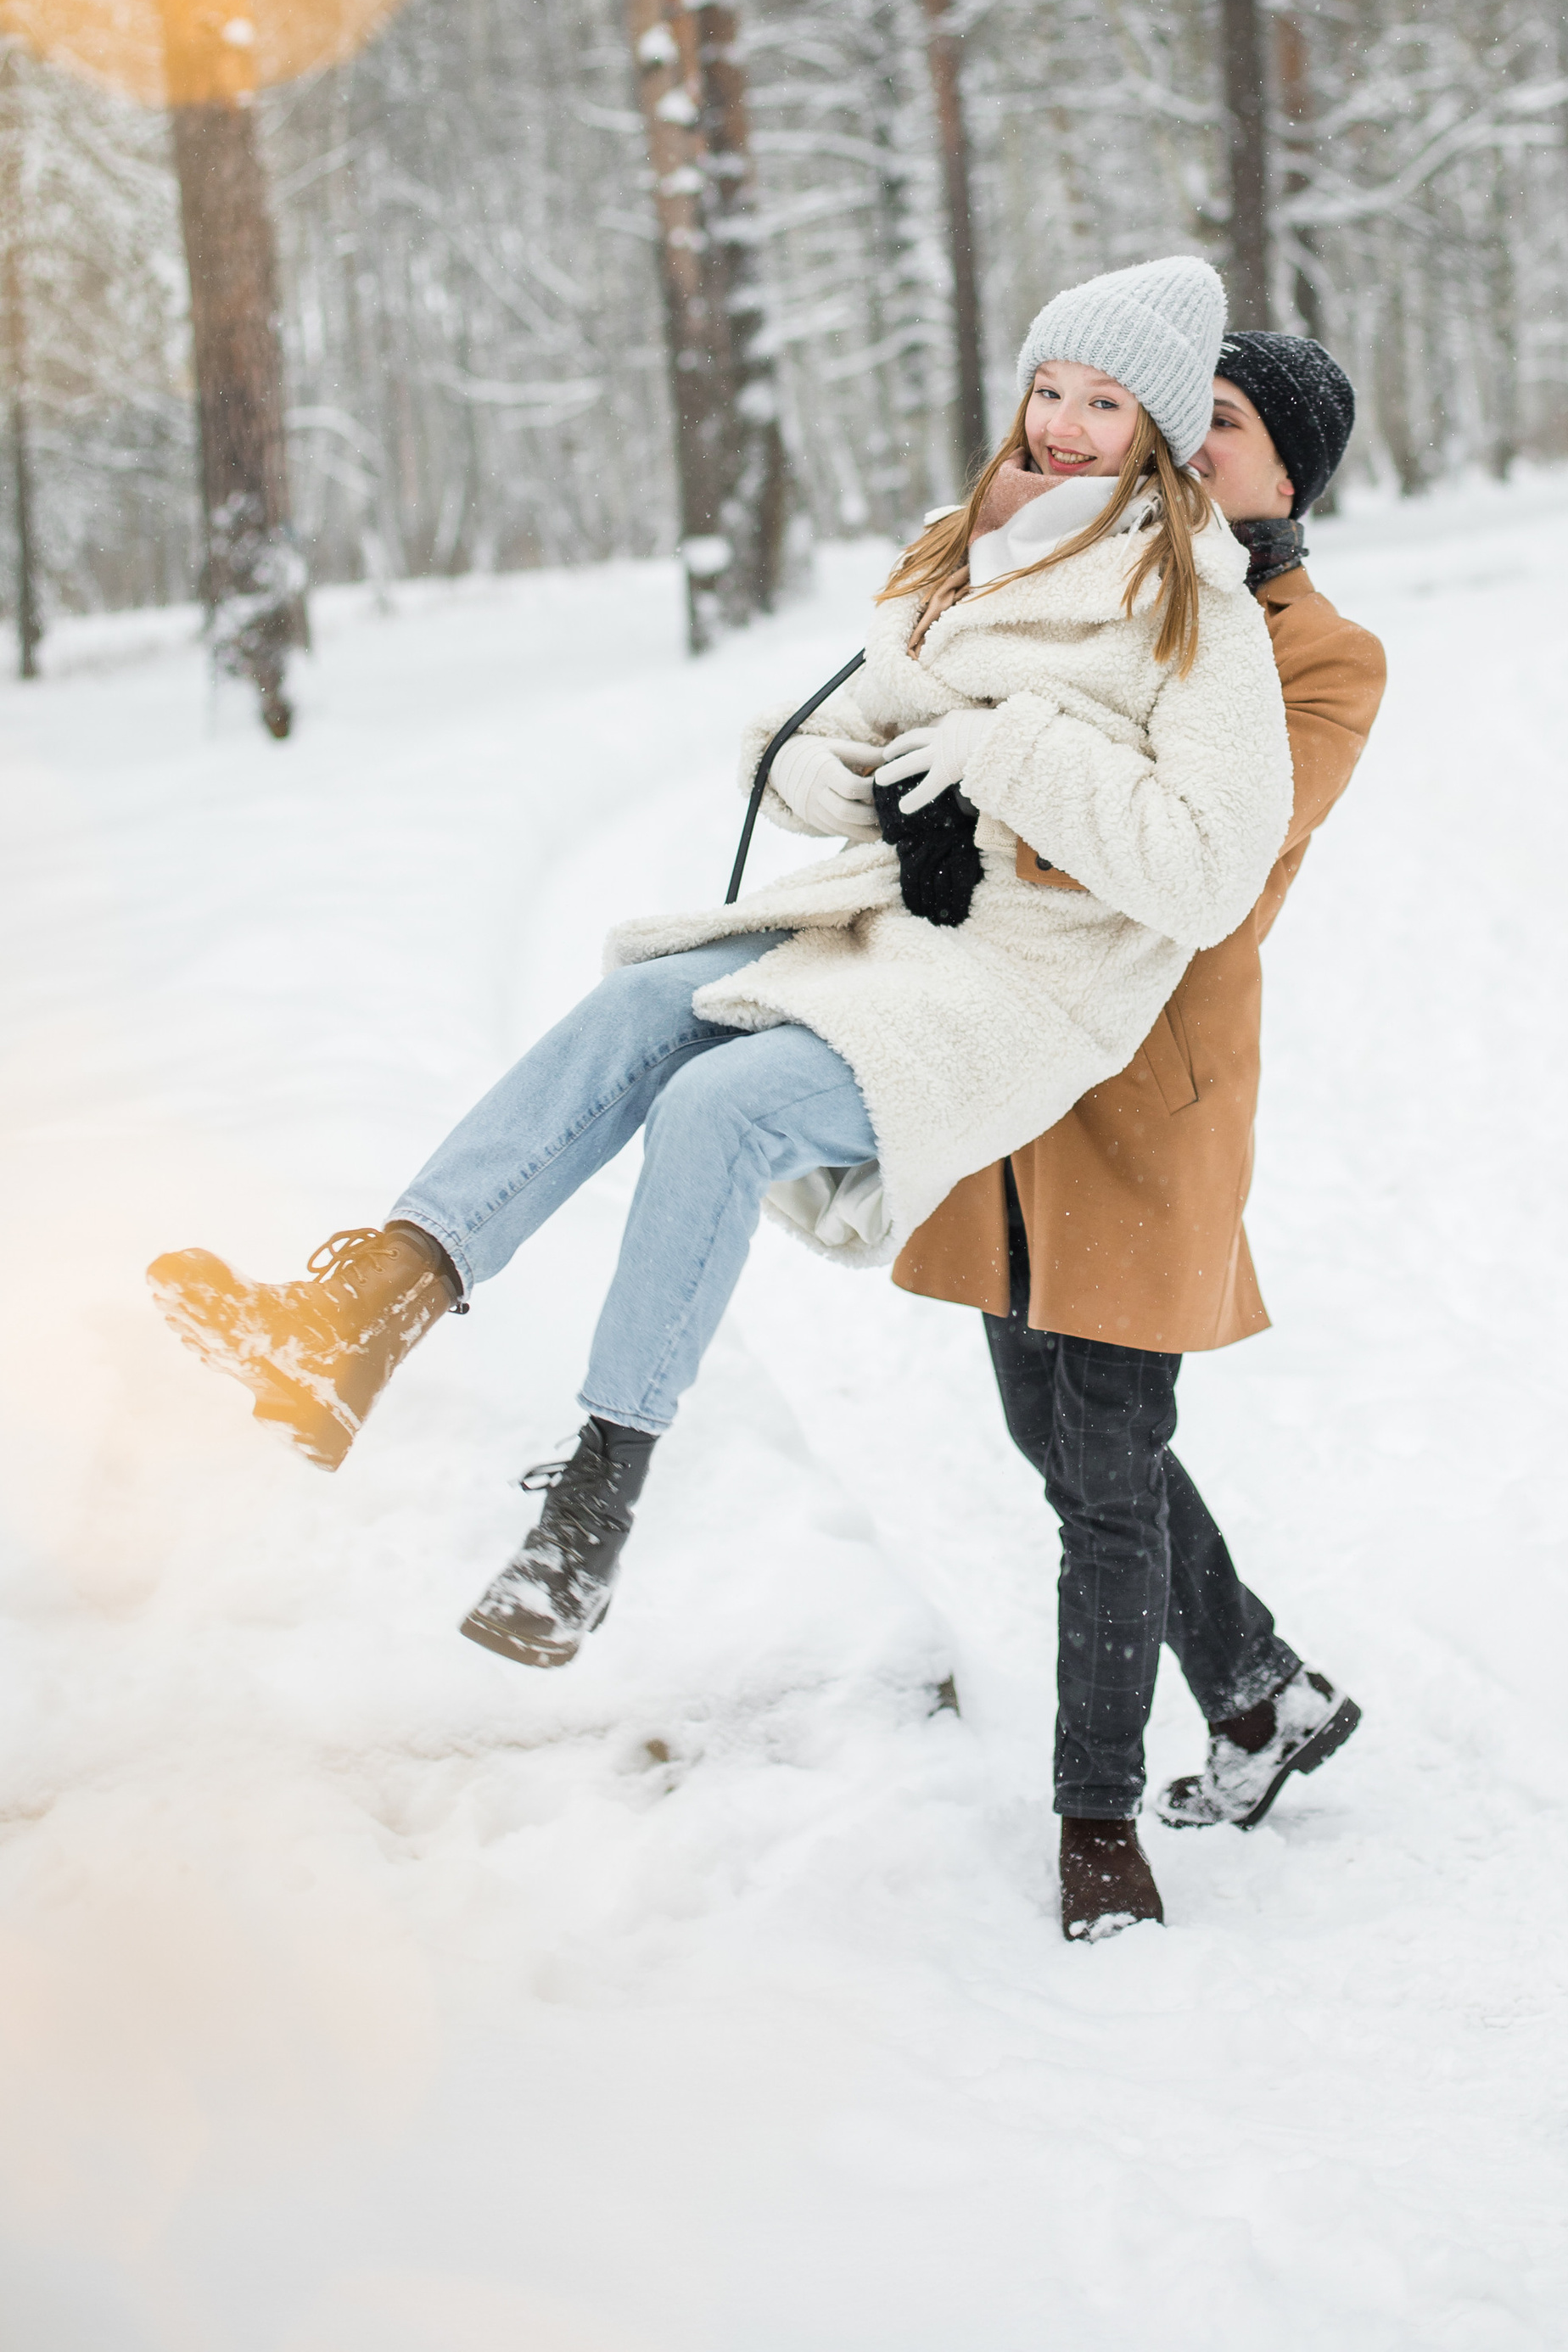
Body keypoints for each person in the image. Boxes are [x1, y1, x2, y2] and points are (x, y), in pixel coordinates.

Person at [147, 258, 1293, 1715]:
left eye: (1106, 403)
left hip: (1026, 989)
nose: (1063, 426)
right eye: (1051, 390)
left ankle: (591, 1513)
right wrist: (872, 785)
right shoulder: (975, 552)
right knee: (639, 1004)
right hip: (895, 921)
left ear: (1162, 429)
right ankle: (363, 1313)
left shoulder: (1198, 618)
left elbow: (1206, 873)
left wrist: (1005, 761)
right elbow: (800, 741)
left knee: (722, 1107)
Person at [896, 331, 1387, 1939]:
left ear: (1285, 476)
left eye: (1219, 430)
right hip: (1010, 1068)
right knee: (1059, 1438)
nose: (1181, 451)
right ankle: (1257, 1692)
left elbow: (1213, 866)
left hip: (1147, 1092)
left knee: (1105, 1476)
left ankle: (1096, 1829)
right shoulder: (1080, 579)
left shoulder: (1318, 652)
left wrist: (1015, 802)